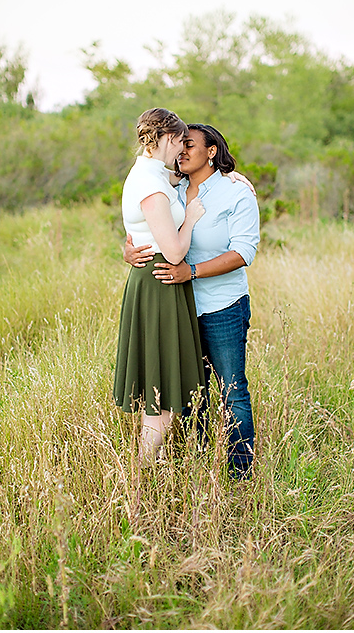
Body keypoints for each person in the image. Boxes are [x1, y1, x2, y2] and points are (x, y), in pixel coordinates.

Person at [124, 124, 260, 479]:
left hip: (222, 308)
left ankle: (240, 474)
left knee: (233, 391)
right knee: (187, 391)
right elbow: (143, 218)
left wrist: (193, 272)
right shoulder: (172, 186)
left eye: (190, 145)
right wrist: (129, 249)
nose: (181, 151)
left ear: (212, 151)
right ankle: (197, 465)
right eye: (179, 144)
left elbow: (244, 252)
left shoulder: (236, 193)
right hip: (176, 308)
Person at [113, 108, 206, 465]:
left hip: (155, 280)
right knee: (163, 394)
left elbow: (176, 180)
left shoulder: (146, 173)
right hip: (161, 280)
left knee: (160, 383)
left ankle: (152, 464)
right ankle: (144, 467)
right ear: (167, 139)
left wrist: (233, 176)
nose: (181, 152)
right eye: (180, 143)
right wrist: (192, 219)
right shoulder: (151, 185)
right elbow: (174, 250)